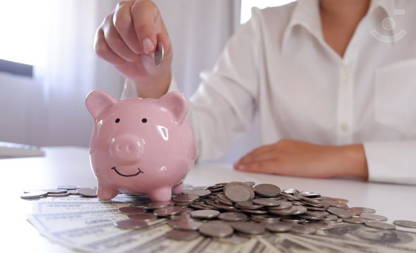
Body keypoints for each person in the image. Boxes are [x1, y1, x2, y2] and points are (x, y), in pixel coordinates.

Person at [94, 0, 416, 185]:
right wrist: (153, 79)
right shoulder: (264, 29)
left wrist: (343, 159)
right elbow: (199, 135)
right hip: (297, 236)